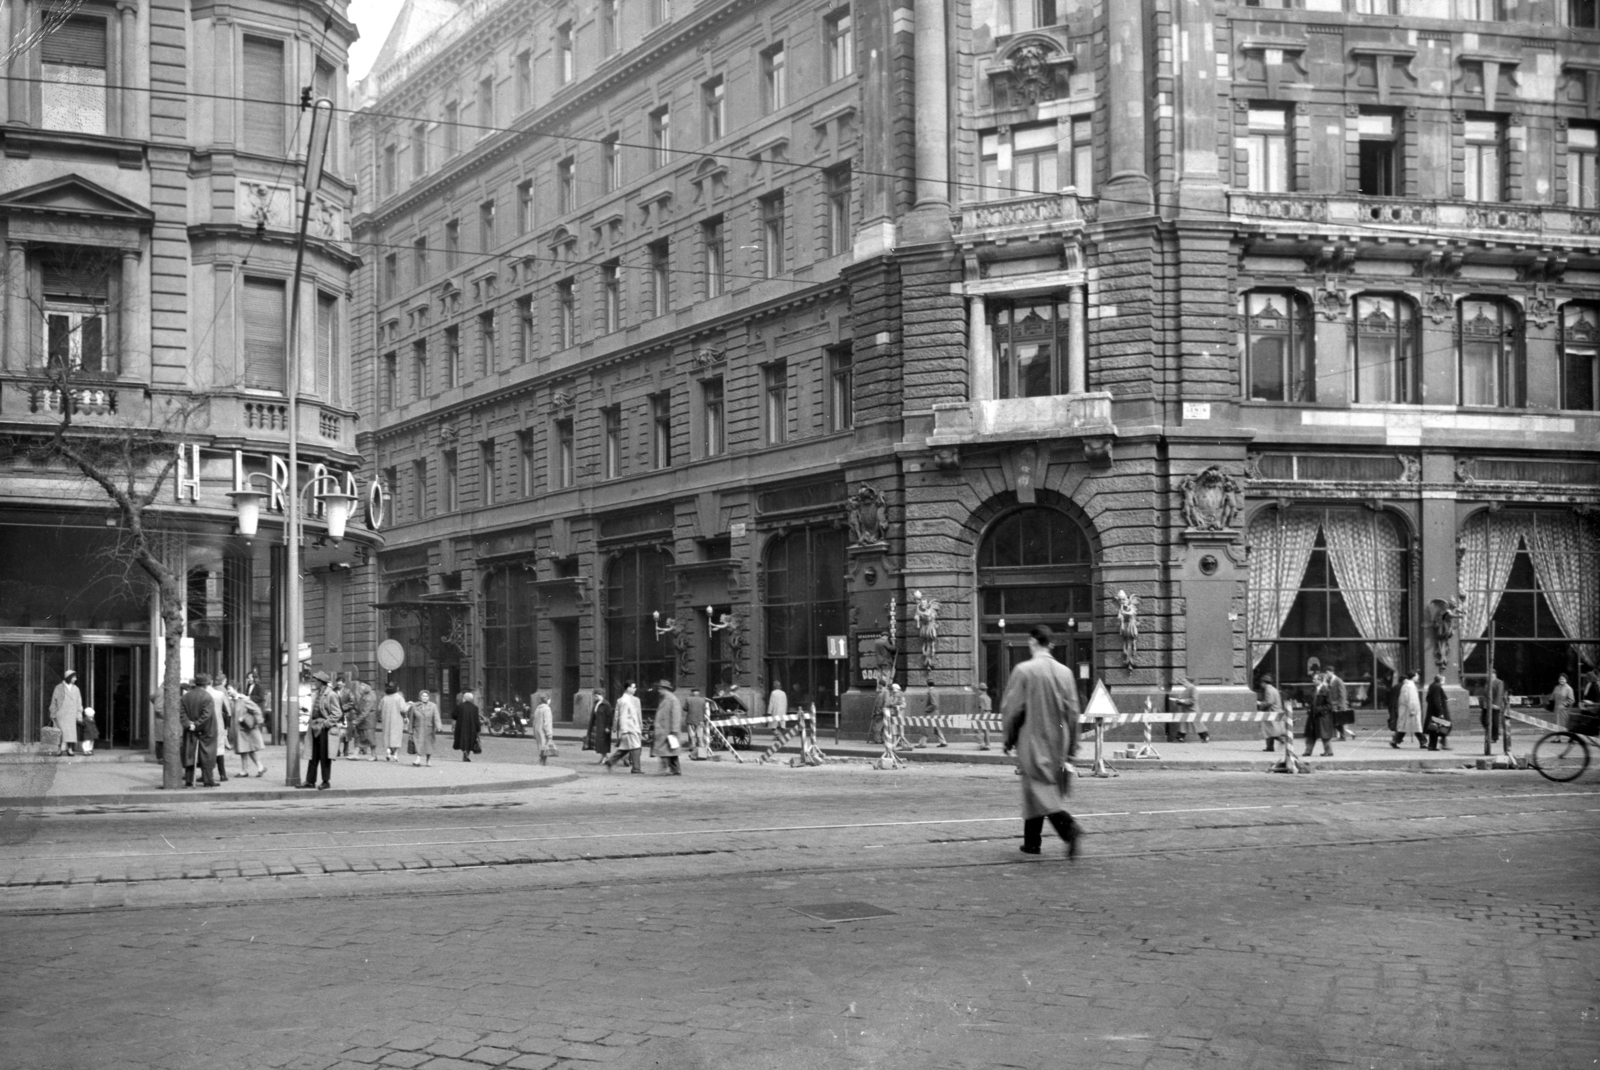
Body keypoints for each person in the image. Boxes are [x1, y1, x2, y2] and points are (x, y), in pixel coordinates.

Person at [1000, 625, 1083, 859]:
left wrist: (1008, 738)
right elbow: (1073, 713)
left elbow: (1013, 709)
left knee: (1037, 787)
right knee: (1037, 787)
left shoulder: (1024, 670)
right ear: (1051, 644)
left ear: (1032, 642)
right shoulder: (1065, 672)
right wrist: (1072, 747)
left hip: (1032, 736)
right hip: (1059, 738)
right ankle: (1032, 842)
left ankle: (1069, 828)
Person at [298, 671, 340, 789]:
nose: (314, 683)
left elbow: (337, 713)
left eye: (315, 681)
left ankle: (326, 781)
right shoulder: (318, 693)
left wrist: (326, 724)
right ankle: (310, 781)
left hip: (324, 729)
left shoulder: (331, 694)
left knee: (324, 755)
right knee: (313, 755)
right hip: (315, 727)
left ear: (321, 682)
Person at [180, 676, 218, 788]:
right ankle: (208, 781)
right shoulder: (207, 697)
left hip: (190, 729)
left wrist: (189, 724)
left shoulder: (186, 696)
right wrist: (197, 724)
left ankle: (189, 780)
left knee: (189, 753)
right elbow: (207, 715)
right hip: (207, 730)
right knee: (207, 754)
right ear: (206, 684)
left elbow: (181, 713)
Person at [602, 682, 644, 774]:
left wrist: (616, 727)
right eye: (633, 687)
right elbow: (622, 716)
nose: (635, 689)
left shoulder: (622, 700)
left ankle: (610, 762)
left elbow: (620, 715)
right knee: (636, 747)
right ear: (627, 688)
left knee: (625, 749)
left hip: (630, 728)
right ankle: (636, 768)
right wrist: (624, 729)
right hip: (630, 728)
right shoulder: (625, 700)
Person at [229, 682, 268, 777]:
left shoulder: (244, 699)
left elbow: (257, 710)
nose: (228, 691)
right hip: (241, 730)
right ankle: (259, 767)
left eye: (229, 689)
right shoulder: (232, 700)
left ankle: (246, 770)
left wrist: (253, 721)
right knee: (247, 750)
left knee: (246, 749)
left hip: (246, 729)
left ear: (235, 689)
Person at [650, 679, 686, 775]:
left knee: (665, 751)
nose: (658, 690)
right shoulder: (665, 698)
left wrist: (674, 729)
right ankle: (675, 769)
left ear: (665, 689)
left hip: (668, 730)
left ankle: (665, 769)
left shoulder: (672, 699)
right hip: (664, 730)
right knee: (671, 750)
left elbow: (676, 715)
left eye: (660, 688)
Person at [48, 669, 83, 757]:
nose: (75, 679)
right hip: (61, 714)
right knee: (59, 732)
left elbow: (79, 703)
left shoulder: (76, 689)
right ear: (69, 677)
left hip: (71, 714)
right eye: (74, 677)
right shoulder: (59, 688)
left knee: (70, 732)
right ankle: (59, 749)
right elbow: (54, 702)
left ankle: (70, 749)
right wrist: (53, 713)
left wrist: (79, 715)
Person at [1388, 669, 1424, 749]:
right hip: (1410, 710)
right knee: (1415, 726)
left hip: (1407, 709)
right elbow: (1411, 699)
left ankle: (1395, 741)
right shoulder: (1410, 686)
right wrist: (1412, 710)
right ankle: (1423, 742)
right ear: (1413, 676)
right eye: (1417, 676)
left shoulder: (1407, 685)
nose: (1418, 677)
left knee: (1406, 727)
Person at [1303, 670, 1336, 758]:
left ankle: (1328, 751)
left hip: (1322, 717)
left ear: (1320, 680)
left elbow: (1329, 705)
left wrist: (1319, 709)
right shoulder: (1316, 690)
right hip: (1314, 716)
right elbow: (1313, 702)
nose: (1313, 681)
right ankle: (1308, 751)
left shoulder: (1326, 690)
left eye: (1315, 679)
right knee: (1311, 734)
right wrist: (1310, 709)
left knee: (1324, 735)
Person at [208, 674, 234, 782]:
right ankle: (222, 774)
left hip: (206, 724)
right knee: (219, 749)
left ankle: (207, 774)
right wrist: (227, 727)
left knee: (207, 749)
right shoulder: (221, 693)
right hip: (219, 723)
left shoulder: (207, 692)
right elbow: (228, 710)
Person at [408, 689, 443, 766]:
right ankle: (418, 759)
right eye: (423, 696)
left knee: (428, 744)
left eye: (426, 696)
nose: (425, 697)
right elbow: (411, 719)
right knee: (418, 743)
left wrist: (439, 727)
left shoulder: (433, 706)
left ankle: (428, 759)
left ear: (429, 697)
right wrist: (410, 730)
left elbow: (436, 717)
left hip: (429, 728)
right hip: (418, 728)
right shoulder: (415, 706)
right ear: (420, 697)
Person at [1258, 674, 1288, 752]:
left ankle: (1281, 740)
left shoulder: (1268, 690)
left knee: (1271, 730)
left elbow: (1269, 702)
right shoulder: (1273, 689)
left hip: (1272, 713)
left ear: (1264, 683)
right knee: (1269, 730)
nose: (1261, 685)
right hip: (1276, 712)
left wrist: (1260, 704)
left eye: (1261, 683)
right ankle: (1269, 747)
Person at [379, 682, 409, 761]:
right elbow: (403, 709)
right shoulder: (399, 698)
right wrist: (409, 705)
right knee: (397, 736)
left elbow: (379, 708)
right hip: (397, 720)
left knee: (387, 735)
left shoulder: (384, 698)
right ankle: (395, 754)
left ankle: (388, 752)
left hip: (386, 720)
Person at [1326, 663, 1355, 742]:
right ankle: (1347, 735)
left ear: (1332, 672)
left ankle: (1343, 736)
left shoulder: (1338, 681)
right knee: (1337, 721)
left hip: (1338, 704)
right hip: (1333, 704)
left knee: (1338, 721)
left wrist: (1342, 706)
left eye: (1328, 673)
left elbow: (1342, 693)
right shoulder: (1330, 681)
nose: (1327, 674)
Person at [1479, 667, 1508, 745]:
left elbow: (1499, 693)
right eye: (1488, 673)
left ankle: (1494, 737)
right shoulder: (1487, 683)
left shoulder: (1499, 682)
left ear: (1494, 674)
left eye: (1490, 673)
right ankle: (1491, 732)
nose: (1488, 675)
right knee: (1483, 719)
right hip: (1486, 705)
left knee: (1495, 722)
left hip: (1495, 705)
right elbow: (1484, 693)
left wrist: (1496, 704)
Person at [1425, 674, 1453, 751]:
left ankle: (1437, 744)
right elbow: (1437, 700)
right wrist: (1440, 712)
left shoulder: (1432, 685)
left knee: (1436, 728)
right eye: (1444, 680)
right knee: (1444, 726)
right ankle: (1441, 744)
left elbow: (1428, 698)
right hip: (1438, 711)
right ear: (1441, 680)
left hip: (1433, 710)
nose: (1444, 681)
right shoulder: (1437, 686)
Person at [585, 688, 614, 761]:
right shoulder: (596, 704)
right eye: (595, 696)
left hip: (603, 726)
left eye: (596, 696)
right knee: (599, 743)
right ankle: (603, 756)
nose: (595, 697)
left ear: (601, 695)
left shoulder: (606, 705)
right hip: (597, 725)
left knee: (603, 742)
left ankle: (604, 757)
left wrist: (608, 727)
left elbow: (610, 717)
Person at [453, 690, 482, 762]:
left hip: (461, 727)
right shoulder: (475, 708)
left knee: (462, 741)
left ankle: (464, 752)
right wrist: (478, 729)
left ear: (464, 698)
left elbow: (453, 715)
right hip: (472, 728)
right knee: (470, 741)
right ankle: (467, 754)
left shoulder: (460, 706)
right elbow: (476, 719)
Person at [683, 687, 708, 758]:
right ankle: (702, 751)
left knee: (692, 735)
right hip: (700, 720)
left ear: (692, 693)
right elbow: (705, 709)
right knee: (700, 736)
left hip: (691, 719)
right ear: (698, 693)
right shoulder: (703, 700)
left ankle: (693, 750)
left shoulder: (688, 699)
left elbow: (685, 708)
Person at [532, 691, 556, 765]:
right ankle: (542, 764)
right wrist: (549, 735)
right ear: (548, 699)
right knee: (545, 749)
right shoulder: (547, 709)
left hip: (537, 731)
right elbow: (547, 723)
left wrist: (534, 732)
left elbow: (534, 722)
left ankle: (542, 763)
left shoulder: (537, 709)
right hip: (543, 732)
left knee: (541, 748)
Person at [766, 681, 789, 746]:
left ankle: (779, 735)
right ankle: (778, 736)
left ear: (775, 686)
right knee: (781, 724)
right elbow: (786, 703)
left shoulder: (773, 693)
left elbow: (771, 703)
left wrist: (769, 712)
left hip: (775, 711)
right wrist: (785, 711)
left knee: (773, 725)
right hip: (782, 711)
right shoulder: (783, 693)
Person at [974, 686, 994, 751]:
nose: (978, 691)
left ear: (981, 690)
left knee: (981, 730)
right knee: (986, 730)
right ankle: (987, 744)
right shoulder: (988, 697)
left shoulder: (981, 697)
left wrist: (979, 716)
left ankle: (984, 744)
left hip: (984, 714)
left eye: (979, 690)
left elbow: (982, 708)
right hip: (989, 713)